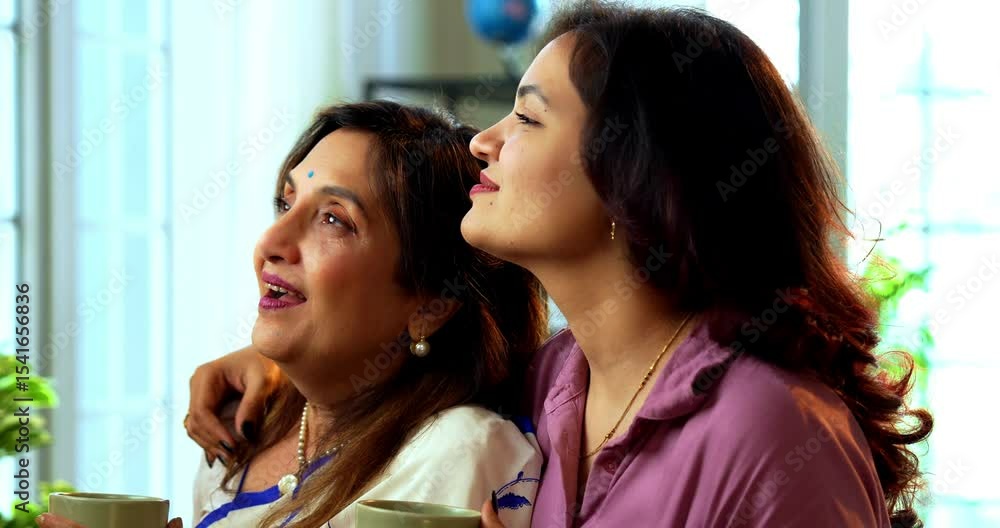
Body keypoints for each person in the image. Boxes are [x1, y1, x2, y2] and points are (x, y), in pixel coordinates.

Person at [185, 4, 933, 528]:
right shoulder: (552, 384)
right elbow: (422, 366)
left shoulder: (769, 430)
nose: (484, 140)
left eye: (529, 118)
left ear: (633, 178)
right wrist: (272, 359)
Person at [41, 101, 548, 528]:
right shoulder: (241, 434)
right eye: (285, 205)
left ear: (430, 307)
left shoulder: (459, 453)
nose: (270, 244)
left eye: (333, 219)